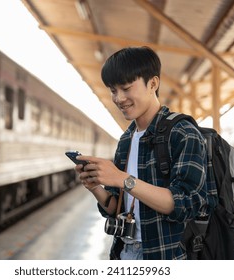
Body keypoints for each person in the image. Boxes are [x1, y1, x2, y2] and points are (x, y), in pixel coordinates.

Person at [75, 46, 212, 260]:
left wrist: (123, 179)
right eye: (113, 90)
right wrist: (95, 187)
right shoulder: (126, 141)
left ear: (153, 84)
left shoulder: (182, 133)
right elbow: (115, 207)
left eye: (126, 88)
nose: (119, 98)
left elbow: (186, 204)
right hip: (125, 252)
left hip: (166, 255)